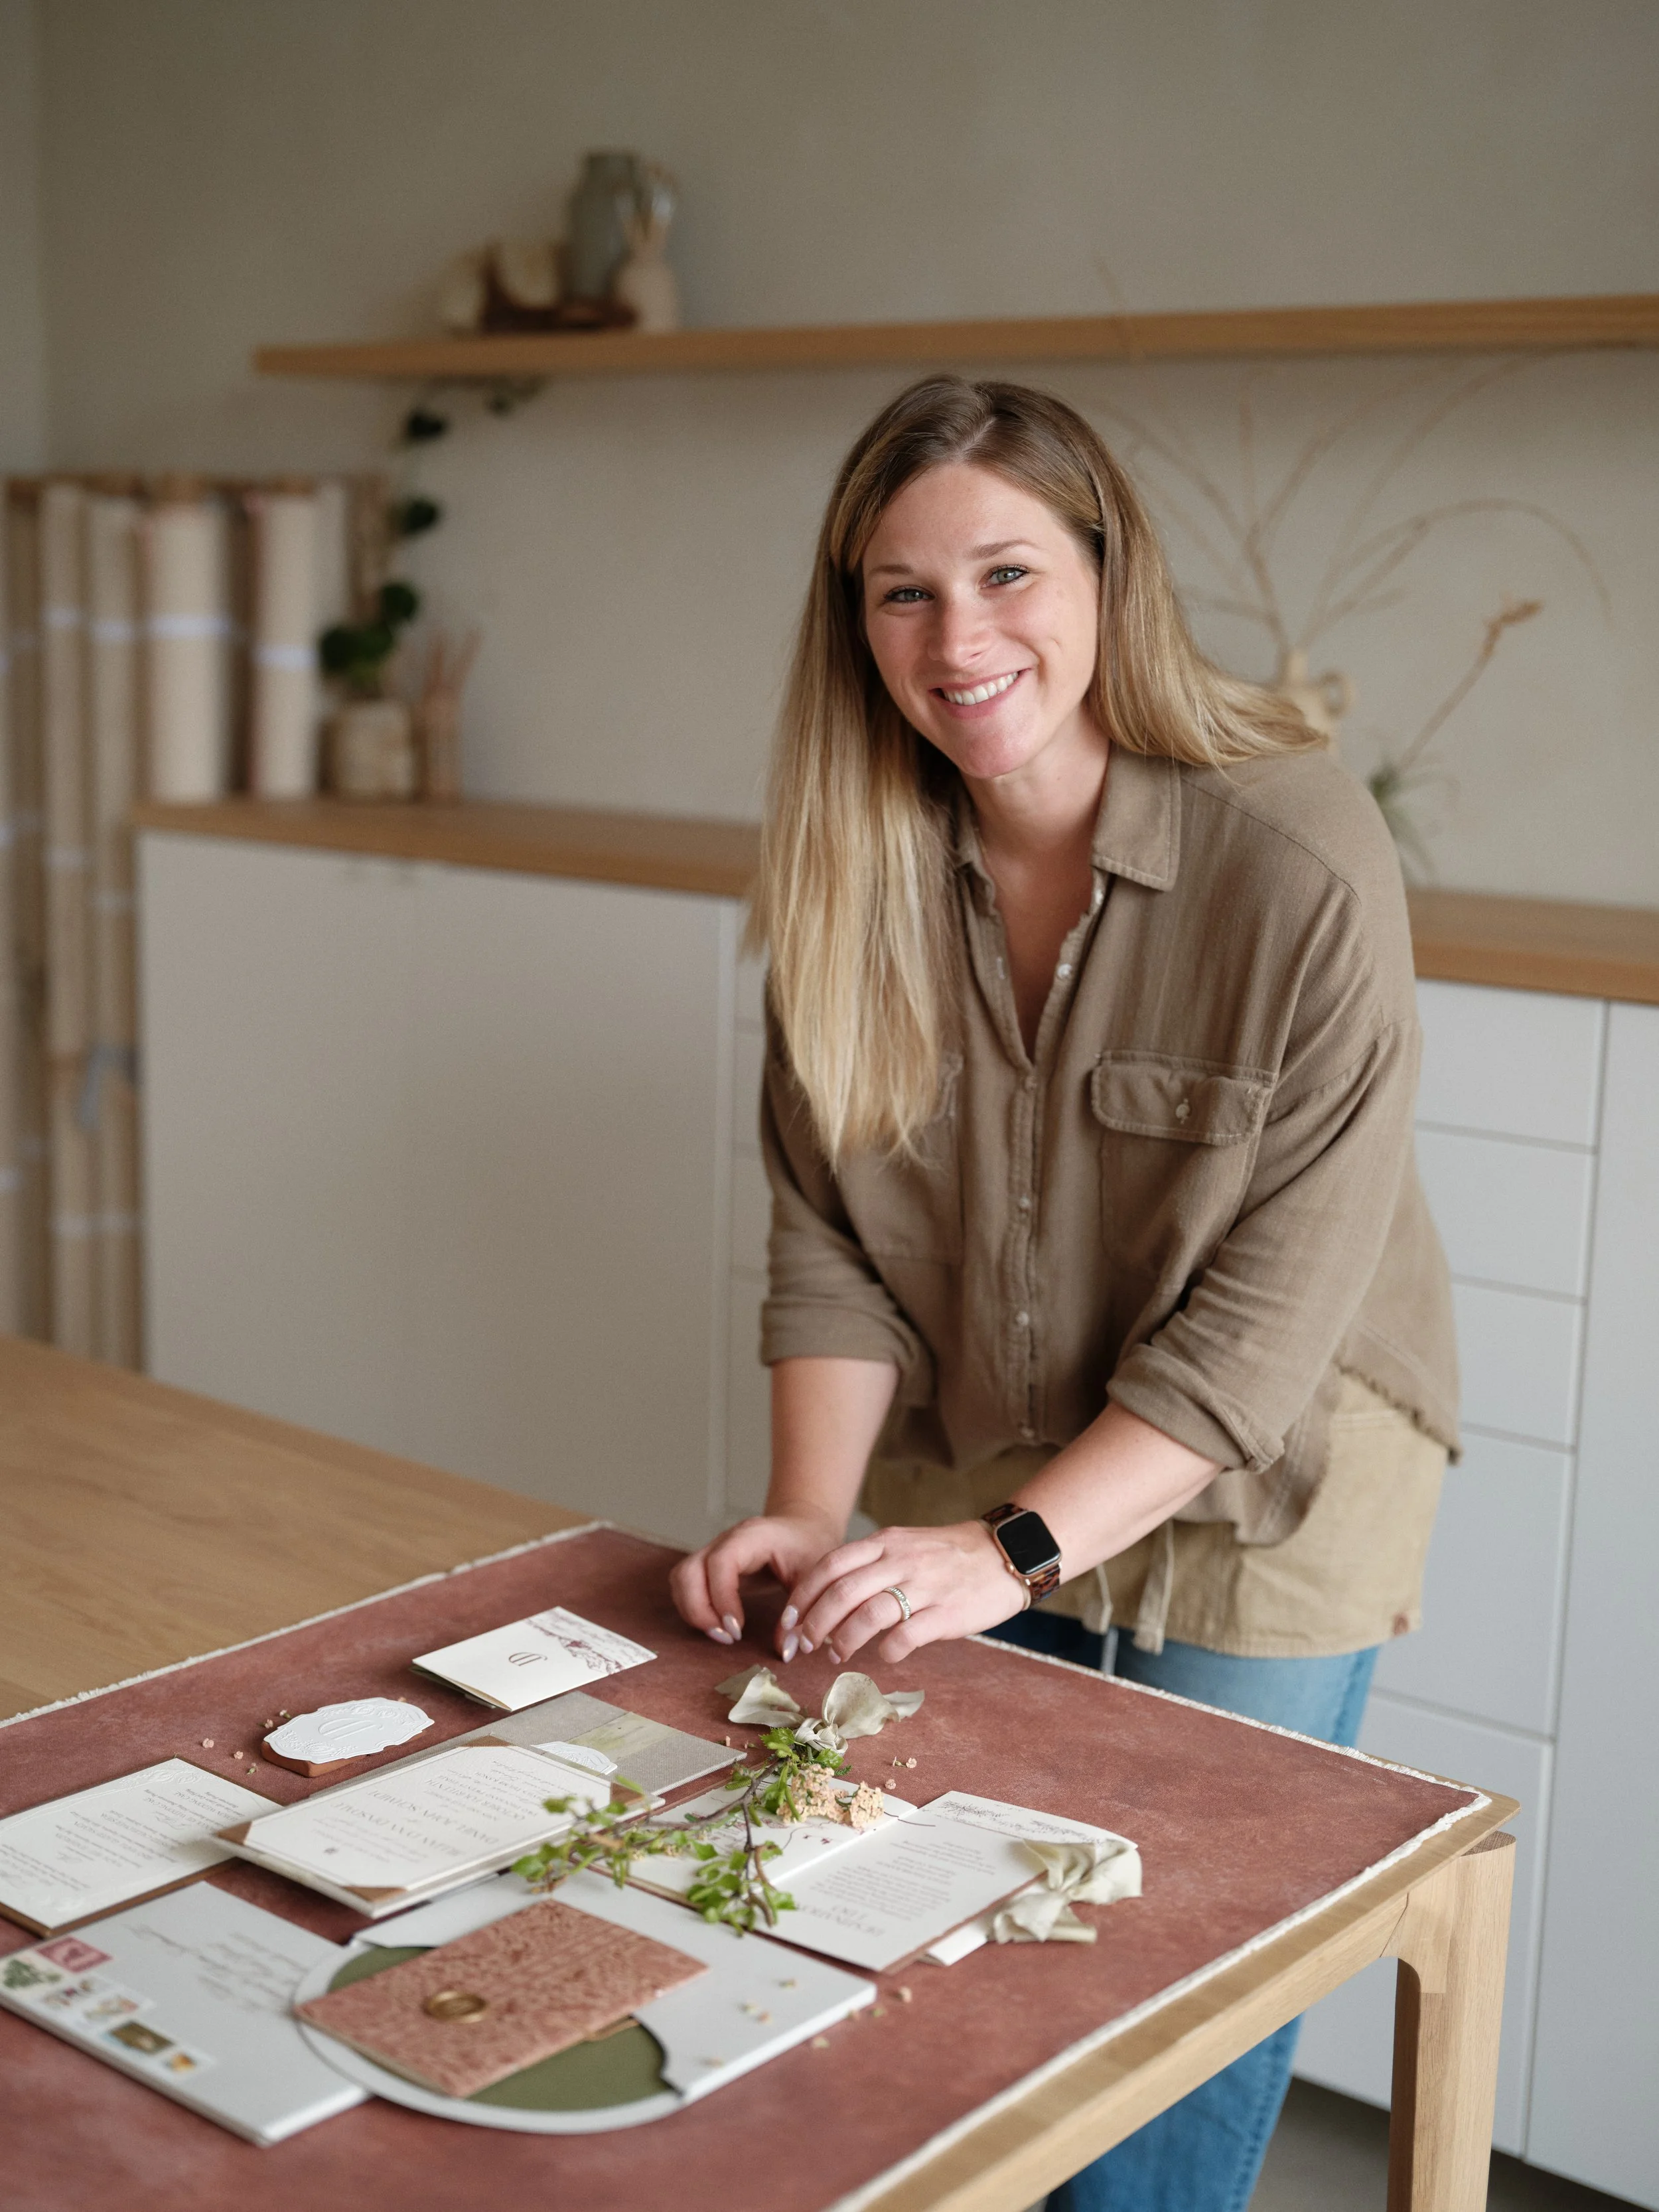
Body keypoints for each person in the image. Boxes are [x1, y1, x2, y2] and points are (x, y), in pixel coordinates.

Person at [670, 376, 1456, 2212]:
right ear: (855, 622)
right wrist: (810, 1507)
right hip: (977, 1438)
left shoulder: (1295, 855)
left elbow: (1263, 1325)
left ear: (1111, 576)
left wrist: (1010, 1549)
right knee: (953, 1916)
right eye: (903, 591)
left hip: (1273, 1472)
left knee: (1182, 1952)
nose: (959, 640)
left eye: (1008, 573)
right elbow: (830, 1237)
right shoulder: (845, 875)